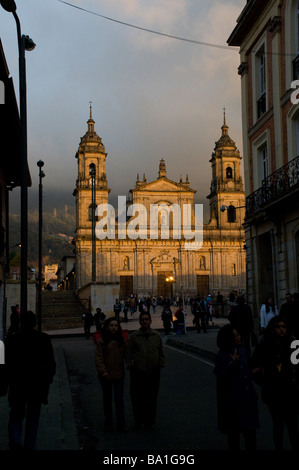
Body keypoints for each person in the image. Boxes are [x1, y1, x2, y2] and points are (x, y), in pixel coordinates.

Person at [5, 311, 56, 450]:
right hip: (36, 386)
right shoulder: (44, 339)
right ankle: (29, 446)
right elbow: (51, 363)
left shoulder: (11, 340)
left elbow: (5, 365)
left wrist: (5, 384)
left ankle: (15, 442)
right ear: (35, 323)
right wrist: (48, 380)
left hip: (17, 385)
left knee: (15, 415)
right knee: (33, 419)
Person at [251, 315, 299, 451]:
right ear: (273, 329)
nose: (282, 330)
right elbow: (254, 368)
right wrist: (264, 381)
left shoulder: (294, 344)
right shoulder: (264, 346)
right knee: (278, 425)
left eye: (284, 327)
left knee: (293, 426)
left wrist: (295, 380)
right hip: (273, 392)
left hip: (291, 392)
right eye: (279, 327)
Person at [213, 324, 259, 451]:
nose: (239, 337)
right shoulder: (222, 356)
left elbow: (250, 369)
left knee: (251, 436)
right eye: (236, 335)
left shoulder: (243, 352)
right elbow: (220, 373)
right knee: (234, 438)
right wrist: (231, 362)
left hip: (247, 400)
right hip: (232, 403)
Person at [128, 311, 166, 431]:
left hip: (153, 371)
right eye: (142, 319)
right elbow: (129, 353)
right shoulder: (134, 336)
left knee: (151, 398)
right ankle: (138, 421)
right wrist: (132, 364)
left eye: (146, 319)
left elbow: (161, 352)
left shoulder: (156, 336)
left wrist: (160, 364)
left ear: (150, 321)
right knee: (137, 398)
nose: (144, 321)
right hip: (138, 371)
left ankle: (149, 421)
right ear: (140, 322)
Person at [95, 317, 128, 432]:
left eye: (115, 325)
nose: (113, 327)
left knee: (119, 399)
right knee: (107, 400)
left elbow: (126, 355)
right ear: (107, 327)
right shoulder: (102, 341)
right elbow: (99, 358)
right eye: (111, 325)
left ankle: (121, 423)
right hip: (106, 375)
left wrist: (131, 361)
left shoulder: (122, 341)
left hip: (119, 375)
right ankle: (108, 422)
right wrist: (103, 371)